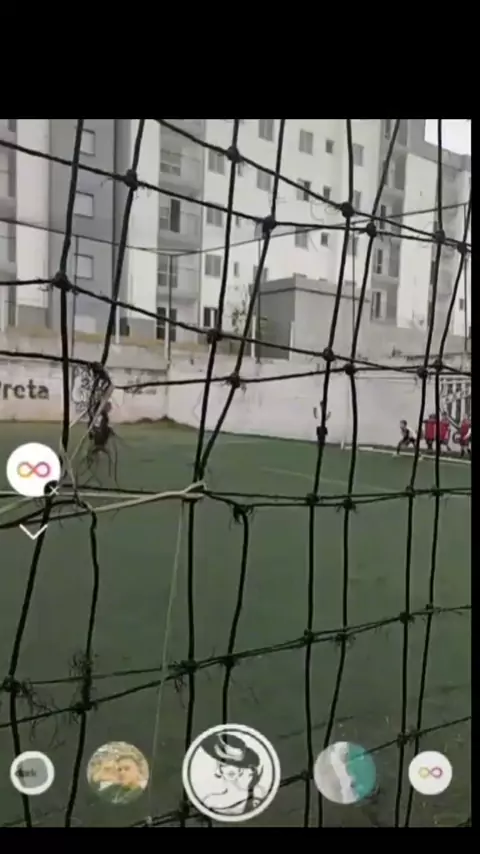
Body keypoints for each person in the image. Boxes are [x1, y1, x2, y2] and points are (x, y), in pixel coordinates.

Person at [199, 732, 266, 817]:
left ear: (240, 769)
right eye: (225, 764)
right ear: (219, 769)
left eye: (235, 765)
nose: (231, 768)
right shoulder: (210, 801)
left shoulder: (257, 793)